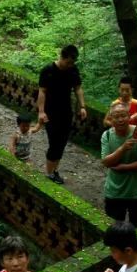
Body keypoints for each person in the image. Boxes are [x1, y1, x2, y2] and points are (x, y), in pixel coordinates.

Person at [37, 45, 87, 185]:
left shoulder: (72, 71)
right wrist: (41, 111)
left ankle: (54, 170)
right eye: (68, 62)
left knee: (62, 142)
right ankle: (49, 173)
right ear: (62, 57)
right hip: (50, 112)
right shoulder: (48, 71)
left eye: (72, 62)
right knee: (54, 141)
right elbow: (42, 91)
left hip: (66, 111)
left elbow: (78, 89)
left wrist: (82, 106)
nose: (70, 65)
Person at [101, 102, 137, 229]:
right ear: (111, 119)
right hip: (114, 192)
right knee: (113, 230)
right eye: (116, 116)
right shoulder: (107, 135)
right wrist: (123, 149)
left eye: (123, 116)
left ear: (129, 116)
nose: (120, 119)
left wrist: (126, 167)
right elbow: (105, 161)